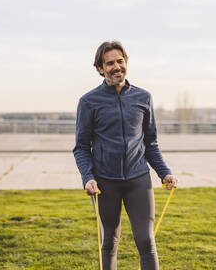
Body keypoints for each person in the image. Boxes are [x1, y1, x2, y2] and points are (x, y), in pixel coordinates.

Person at [73, 41, 178, 270]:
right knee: (109, 241)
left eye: (120, 61)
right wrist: (87, 177)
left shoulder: (143, 97)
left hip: (138, 180)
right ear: (101, 69)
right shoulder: (88, 102)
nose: (116, 66)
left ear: (126, 63)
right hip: (104, 183)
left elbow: (151, 143)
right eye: (109, 63)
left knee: (146, 240)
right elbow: (81, 147)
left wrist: (165, 173)